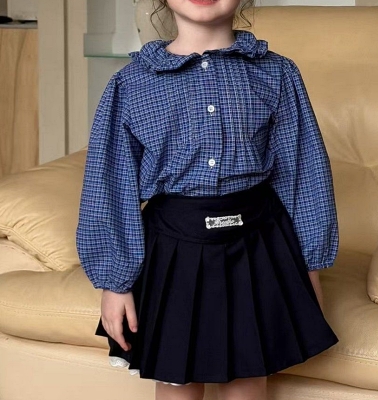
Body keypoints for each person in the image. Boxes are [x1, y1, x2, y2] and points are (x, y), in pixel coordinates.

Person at [76, 1, 340, 399]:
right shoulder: (130, 84)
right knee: (177, 379)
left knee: (249, 376)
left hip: (258, 244)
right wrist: (115, 283)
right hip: (172, 247)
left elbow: (304, 171)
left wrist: (309, 268)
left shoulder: (278, 73)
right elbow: (109, 185)